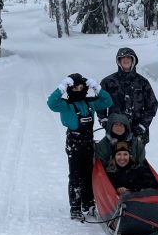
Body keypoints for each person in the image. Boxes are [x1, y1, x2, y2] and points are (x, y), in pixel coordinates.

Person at [47, 73, 112, 220]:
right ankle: (75, 207)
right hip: (74, 143)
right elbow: (51, 103)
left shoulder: (90, 103)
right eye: (75, 88)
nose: (78, 90)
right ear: (70, 89)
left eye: (81, 87)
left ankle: (88, 203)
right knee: (76, 175)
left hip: (88, 142)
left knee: (89, 174)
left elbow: (107, 101)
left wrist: (96, 87)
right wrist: (62, 86)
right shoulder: (65, 105)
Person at [101, 47, 158, 144]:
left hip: (138, 132)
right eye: (123, 57)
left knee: (136, 154)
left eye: (128, 57)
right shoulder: (108, 82)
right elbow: (100, 103)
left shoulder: (142, 82)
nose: (125, 59)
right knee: (116, 153)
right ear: (119, 61)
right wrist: (104, 121)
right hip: (115, 131)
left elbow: (152, 106)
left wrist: (143, 125)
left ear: (133, 60)